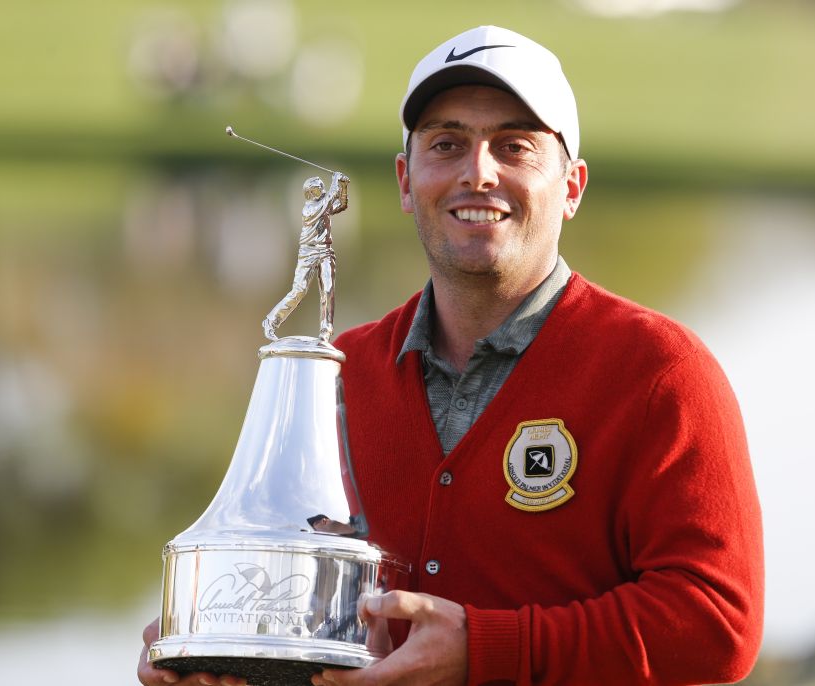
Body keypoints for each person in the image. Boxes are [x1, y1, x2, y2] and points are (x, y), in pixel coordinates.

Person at [138, 25, 764, 686]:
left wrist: (486, 650)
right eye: (447, 144)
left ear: (572, 186)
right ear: (407, 182)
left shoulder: (661, 372)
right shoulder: (338, 377)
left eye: (514, 145)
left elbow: (718, 624)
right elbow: (307, 609)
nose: (478, 172)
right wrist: (220, 652)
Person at [263, 172, 349, 343]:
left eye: (322, 185)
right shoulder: (310, 209)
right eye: (318, 186)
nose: (322, 187)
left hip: (325, 251)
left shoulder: (324, 204)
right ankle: (271, 321)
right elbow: (330, 200)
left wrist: (344, 187)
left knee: (328, 289)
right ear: (310, 193)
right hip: (308, 253)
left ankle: (326, 329)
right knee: (299, 291)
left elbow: (341, 205)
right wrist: (335, 182)